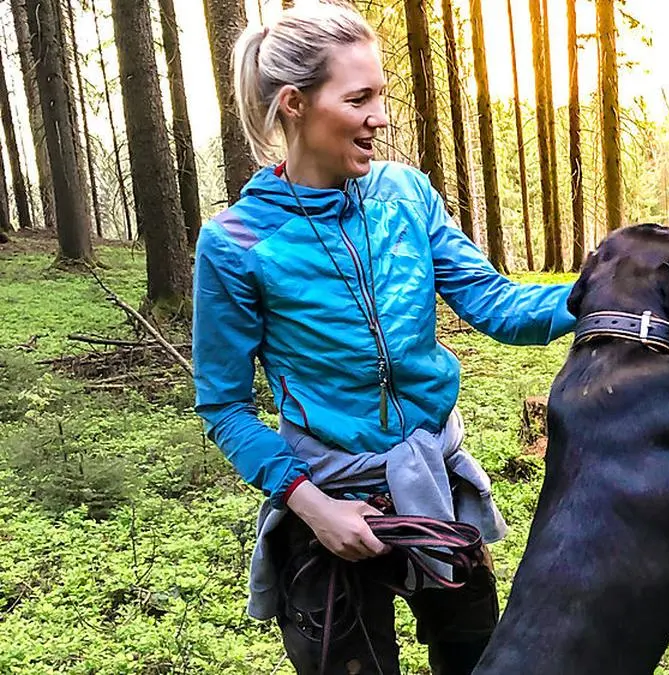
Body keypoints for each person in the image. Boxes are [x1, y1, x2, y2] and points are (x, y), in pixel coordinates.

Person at [190, 4, 576, 673]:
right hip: (329, 502)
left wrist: (600, 290)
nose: (381, 116)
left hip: (435, 485)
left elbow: (495, 303)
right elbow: (223, 406)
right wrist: (315, 508)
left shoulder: (406, 195)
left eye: (382, 96)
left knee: (476, 657)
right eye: (359, 97)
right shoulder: (236, 243)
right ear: (295, 104)